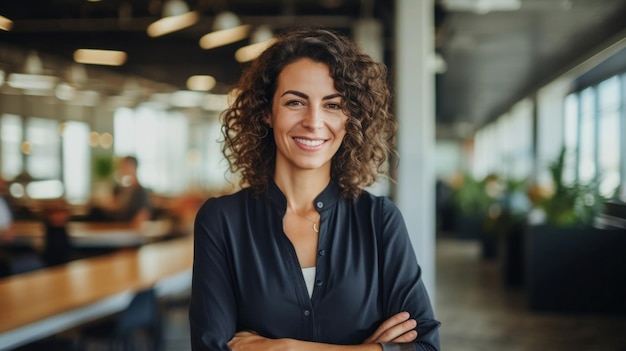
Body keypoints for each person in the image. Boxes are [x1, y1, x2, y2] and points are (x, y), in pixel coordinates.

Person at [190, 27, 441, 351]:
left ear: (350, 118)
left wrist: (286, 348)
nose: (314, 121)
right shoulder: (222, 222)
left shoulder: (379, 220)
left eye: (333, 105)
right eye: (296, 102)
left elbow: (425, 347)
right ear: (267, 112)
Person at [89, 156, 152, 226]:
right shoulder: (121, 188)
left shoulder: (141, 193)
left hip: (124, 229)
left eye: (125, 166)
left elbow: (141, 218)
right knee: (95, 211)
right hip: (116, 223)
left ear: (133, 167)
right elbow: (115, 205)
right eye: (121, 167)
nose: (122, 170)